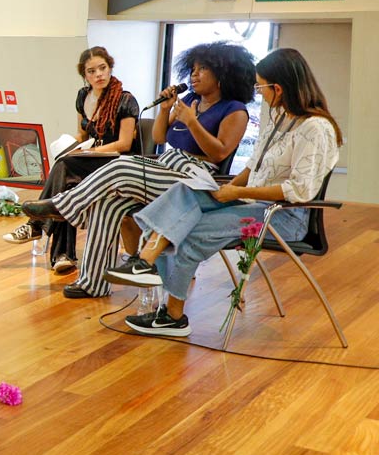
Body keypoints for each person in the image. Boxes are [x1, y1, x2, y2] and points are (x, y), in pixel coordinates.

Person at [105, 48, 343, 337]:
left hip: (282, 216)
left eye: (261, 87)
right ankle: (144, 261)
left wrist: (237, 193)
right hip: (251, 200)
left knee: (191, 229)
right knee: (186, 190)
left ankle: (172, 315)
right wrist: (229, 187)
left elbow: (299, 191)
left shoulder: (315, 129)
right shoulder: (280, 118)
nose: (259, 93)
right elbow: (253, 165)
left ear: (278, 88)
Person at [22, 41, 256, 298]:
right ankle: (93, 283)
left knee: (121, 164)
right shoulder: (190, 100)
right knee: (108, 204)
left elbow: (220, 152)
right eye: (193, 69)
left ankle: (65, 205)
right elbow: (158, 138)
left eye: (202, 70)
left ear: (222, 75)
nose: (194, 75)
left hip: (195, 180)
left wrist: (191, 122)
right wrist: (166, 110)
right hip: (167, 164)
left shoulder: (235, 111)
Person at [2, 46, 140, 275]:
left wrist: (90, 153)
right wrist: (68, 146)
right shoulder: (83, 97)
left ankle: (37, 227)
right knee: (64, 177)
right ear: (84, 75)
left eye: (102, 68)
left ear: (110, 68)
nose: (98, 75)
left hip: (117, 164)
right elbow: (83, 134)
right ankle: (63, 256)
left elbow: (124, 144)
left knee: (64, 168)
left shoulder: (125, 100)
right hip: (90, 160)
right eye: (92, 71)